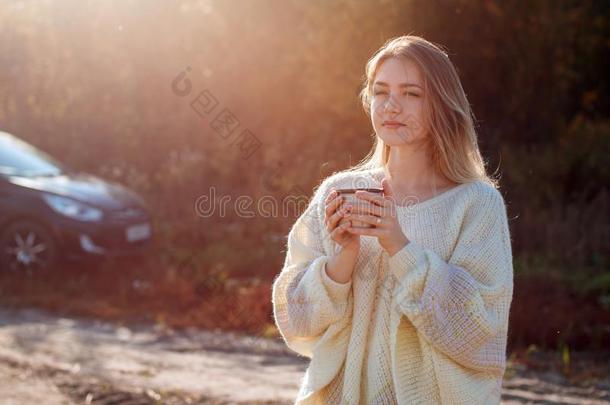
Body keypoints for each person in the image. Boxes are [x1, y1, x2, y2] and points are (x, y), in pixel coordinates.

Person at [271, 35, 514, 405]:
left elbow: (479, 331)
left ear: (442, 104)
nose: (392, 106)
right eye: (381, 91)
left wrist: (399, 246)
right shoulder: (339, 192)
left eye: (412, 94)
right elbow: (295, 320)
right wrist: (341, 263)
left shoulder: (476, 204)